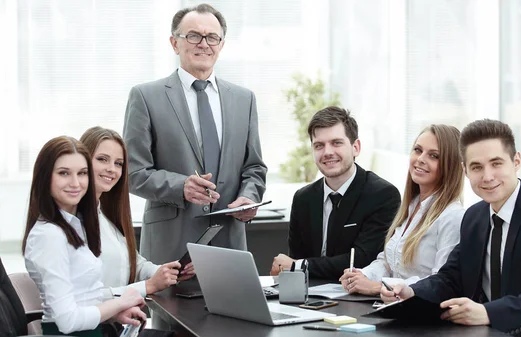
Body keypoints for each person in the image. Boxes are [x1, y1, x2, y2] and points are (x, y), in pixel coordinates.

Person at [381, 119, 521, 337]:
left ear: (516, 161)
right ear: (465, 171)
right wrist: (411, 292)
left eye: (496, 163)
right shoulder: (474, 217)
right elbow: (451, 278)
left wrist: (488, 313)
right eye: (476, 167)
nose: (487, 176)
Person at [123, 3, 267, 264]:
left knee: (232, 306)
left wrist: (250, 196)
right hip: (170, 246)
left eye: (212, 37)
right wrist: (181, 187)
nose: (204, 44)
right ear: (174, 43)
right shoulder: (145, 97)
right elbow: (133, 173)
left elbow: (254, 167)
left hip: (229, 243)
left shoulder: (244, 99)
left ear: (221, 45)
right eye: (193, 36)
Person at [22, 136, 146, 336]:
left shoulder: (73, 226)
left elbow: (83, 300)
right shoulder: (49, 235)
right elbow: (67, 321)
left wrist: (115, 313)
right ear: (45, 178)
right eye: (64, 173)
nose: (75, 183)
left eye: (82, 173)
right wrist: (120, 301)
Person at [270, 106, 401, 279]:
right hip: (307, 295)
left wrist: (298, 266)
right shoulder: (303, 198)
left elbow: (362, 260)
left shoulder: (383, 195)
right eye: (319, 145)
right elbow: (296, 258)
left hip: (356, 296)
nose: (327, 152)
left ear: (356, 147)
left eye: (336, 143)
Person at [339, 124, 464, 295]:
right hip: (390, 308)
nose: (420, 159)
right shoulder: (411, 206)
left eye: (434, 156)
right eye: (418, 150)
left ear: (451, 165)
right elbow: (388, 262)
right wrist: (362, 275)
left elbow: (441, 281)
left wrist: (379, 287)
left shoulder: (453, 216)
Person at [80, 127, 195, 299]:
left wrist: (168, 272)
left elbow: (134, 263)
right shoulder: (73, 221)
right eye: (102, 159)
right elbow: (82, 298)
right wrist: (147, 286)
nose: (112, 169)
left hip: (118, 320)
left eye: (118, 163)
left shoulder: (105, 219)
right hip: (99, 323)